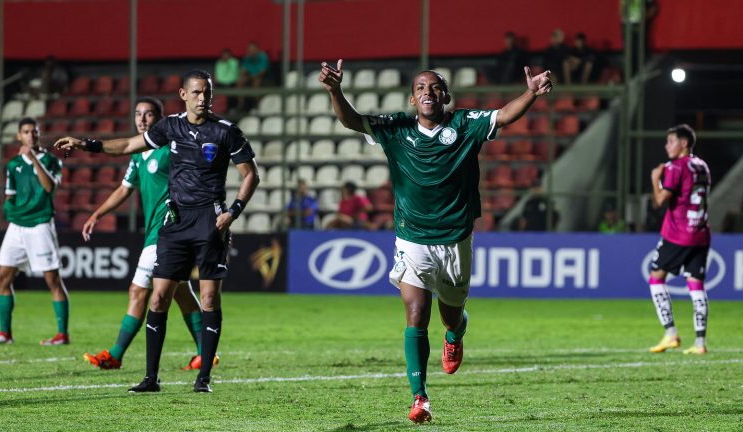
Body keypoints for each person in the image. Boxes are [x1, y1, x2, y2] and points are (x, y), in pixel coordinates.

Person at [319, 59, 552, 423]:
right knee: (416, 315)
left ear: (445, 95)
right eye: (421, 88)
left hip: (455, 240)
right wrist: (335, 89)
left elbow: (505, 115)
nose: (428, 92)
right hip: (412, 240)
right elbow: (352, 120)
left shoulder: (464, 124)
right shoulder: (395, 128)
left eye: (435, 87)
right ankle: (420, 398)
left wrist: (532, 93)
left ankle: (457, 332)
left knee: (450, 314)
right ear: (412, 99)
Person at [55, 69, 259, 393]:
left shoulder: (226, 132)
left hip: (210, 221)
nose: (202, 98)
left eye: (207, 93)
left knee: (207, 298)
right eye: (196, 93)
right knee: (159, 296)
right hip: (175, 222)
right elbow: (127, 145)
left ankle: (203, 377)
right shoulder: (170, 127)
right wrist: (86, 144)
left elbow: (251, 175)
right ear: (183, 95)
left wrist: (233, 211)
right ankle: (151, 378)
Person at [80, 97, 217, 371]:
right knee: (180, 292)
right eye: (138, 114)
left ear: (159, 119)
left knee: (138, 290)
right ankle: (206, 353)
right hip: (156, 231)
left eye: (149, 114)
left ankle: (116, 354)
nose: (142, 119)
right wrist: (98, 213)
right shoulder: (138, 153)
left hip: (167, 231)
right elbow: (124, 188)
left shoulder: (169, 148)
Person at [0, 117, 70, 346]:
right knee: (2, 277)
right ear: (19, 136)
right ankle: (4, 333)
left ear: (39, 135)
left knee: (52, 280)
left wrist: (33, 161)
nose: (31, 135)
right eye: (26, 132)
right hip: (17, 226)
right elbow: (10, 195)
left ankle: (62, 335)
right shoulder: (13, 164)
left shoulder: (50, 161)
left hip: (40, 224)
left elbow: (49, 187)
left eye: (34, 132)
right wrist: (12, 210)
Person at [647, 124, 711, 355]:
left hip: (678, 234)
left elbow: (660, 201)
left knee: (656, 278)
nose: (667, 146)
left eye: (671, 141)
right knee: (696, 285)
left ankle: (671, 334)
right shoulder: (702, 165)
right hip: (701, 233)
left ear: (684, 143)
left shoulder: (676, 167)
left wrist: (656, 179)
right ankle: (701, 343)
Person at [236, 41, 269, 110]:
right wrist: (243, 74)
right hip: (250, 76)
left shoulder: (263, 56)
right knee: (240, 81)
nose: (251, 51)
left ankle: (258, 105)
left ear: (257, 50)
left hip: (262, 77)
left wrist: (254, 75)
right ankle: (241, 105)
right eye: (250, 50)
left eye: (253, 50)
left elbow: (263, 72)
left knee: (256, 82)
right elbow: (243, 70)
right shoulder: (247, 58)